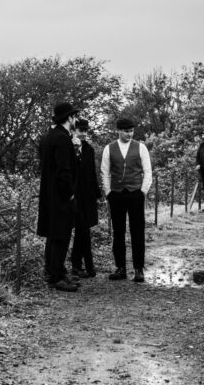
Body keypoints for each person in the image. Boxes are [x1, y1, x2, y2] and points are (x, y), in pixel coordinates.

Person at [100, 117, 152, 282]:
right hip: (116, 195)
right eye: (126, 131)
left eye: (131, 131)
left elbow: (148, 171)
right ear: (119, 131)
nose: (129, 134)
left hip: (135, 194)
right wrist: (108, 192)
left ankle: (138, 269)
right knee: (118, 232)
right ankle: (120, 268)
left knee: (137, 231)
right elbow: (104, 172)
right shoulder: (109, 149)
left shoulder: (141, 147)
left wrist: (142, 191)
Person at [36, 102, 80, 292]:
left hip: (49, 193)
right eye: (74, 116)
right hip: (60, 196)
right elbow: (64, 171)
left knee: (53, 235)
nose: (76, 120)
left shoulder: (48, 137)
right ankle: (56, 278)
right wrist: (70, 194)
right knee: (61, 235)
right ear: (69, 118)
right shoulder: (62, 139)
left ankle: (56, 272)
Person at [70, 118, 102, 278]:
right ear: (74, 130)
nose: (83, 133)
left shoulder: (89, 149)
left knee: (84, 230)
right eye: (80, 130)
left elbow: (92, 173)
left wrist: (97, 194)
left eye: (85, 130)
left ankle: (79, 265)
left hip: (88, 195)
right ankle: (84, 264)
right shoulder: (69, 147)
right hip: (75, 195)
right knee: (82, 230)